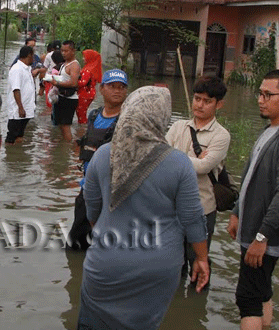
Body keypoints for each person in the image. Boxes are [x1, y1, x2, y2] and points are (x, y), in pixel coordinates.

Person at [78, 86, 210, 329]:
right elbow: (193, 219)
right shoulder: (179, 163)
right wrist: (201, 258)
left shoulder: (102, 155)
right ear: (162, 118)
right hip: (156, 267)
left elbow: (92, 211)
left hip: (106, 263)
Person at [226, 70, 279, 330]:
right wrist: (237, 211)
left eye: (268, 94)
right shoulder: (270, 131)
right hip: (251, 227)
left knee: (247, 298)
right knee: (261, 290)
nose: (261, 100)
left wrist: (262, 237)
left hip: (263, 234)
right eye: (260, 93)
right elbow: (252, 176)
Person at [165, 75, 231, 287]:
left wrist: (173, 156)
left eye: (207, 101)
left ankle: (197, 306)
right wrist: (192, 160)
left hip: (202, 209)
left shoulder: (221, 135)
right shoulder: (178, 127)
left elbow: (204, 167)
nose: (200, 105)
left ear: (218, 104)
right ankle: (176, 307)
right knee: (173, 266)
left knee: (198, 262)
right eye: (197, 98)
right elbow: (159, 158)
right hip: (172, 208)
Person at [67, 69, 128, 250]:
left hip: (111, 192)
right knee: (76, 242)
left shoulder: (127, 120)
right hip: (87, 186)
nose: (117, 91)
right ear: (102, 89)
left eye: (121, 87)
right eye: (112, 86)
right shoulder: (94, 115)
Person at [6, 46, 36, 145]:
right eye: (33, 56)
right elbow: (16, 89)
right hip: (18, 111)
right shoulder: (17, 69)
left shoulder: (27, 69)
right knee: (12, 136)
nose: (34, 59)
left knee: (20, 135)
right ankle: (9, 156)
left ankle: (17, 156)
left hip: (26, 109)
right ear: (29, 55)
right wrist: (20, 107)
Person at [51, 40, 80, 142]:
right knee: (61, 126)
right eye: (62, 51)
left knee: (66, 126)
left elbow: (73, 83)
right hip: (61, 97)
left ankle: (68, 149)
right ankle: (64, 148)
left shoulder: (74, 65)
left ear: (73, 51)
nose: (63, 53)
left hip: (69, 99)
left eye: (66, 51)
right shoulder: (65, 63)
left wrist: (57, 83)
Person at [75, 50, 102, 124]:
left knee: (81, 115)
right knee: (81, 113)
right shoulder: (91, 68)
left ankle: (82, 130)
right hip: (88, 93)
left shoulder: (88, 70)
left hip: (84, 94)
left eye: (85, 57)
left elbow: (82, 83)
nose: (83, 59)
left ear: (90, 58)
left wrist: (72, 82)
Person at [42, 41, 61, 108]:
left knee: (49, 99)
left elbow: (44, 68)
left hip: (49, 79)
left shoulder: (49, 55)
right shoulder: (63, 54)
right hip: (60, 80)